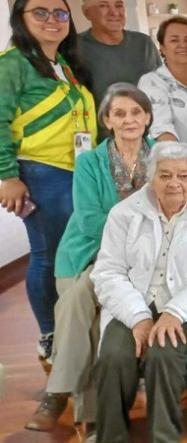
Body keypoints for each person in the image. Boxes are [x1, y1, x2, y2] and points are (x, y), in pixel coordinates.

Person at [24, 84, 153, 438]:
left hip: (132, 261)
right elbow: (91, 219)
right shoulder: (91, 162)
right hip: (87, 254)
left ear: (147, 117)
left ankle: (59, 395)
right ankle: (93, 420)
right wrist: (146, 224)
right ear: (107, 121)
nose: (129, 119)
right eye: (120, 113)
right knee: (88, 307)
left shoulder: (164, 156)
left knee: (82, 299)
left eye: (136, 112)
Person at [91, 141, 187, 442]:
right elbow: (107, 272)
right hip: (134, 302)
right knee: (113, 356)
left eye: (183, 176)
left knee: (163, 352)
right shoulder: (124, 213)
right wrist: (138, 317)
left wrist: (175, 310)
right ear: (151, 176)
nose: (175, 183)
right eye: (165, 175)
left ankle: (164, 438)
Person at [0, 0, 97, 368]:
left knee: (75, 252)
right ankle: (50, 333)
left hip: (77, 171)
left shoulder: (63, 65)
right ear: (21, 19)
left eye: (60, 13)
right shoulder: (12, 63)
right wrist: (8, 176)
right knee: (48, 254)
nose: (53, 20)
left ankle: (76, 327)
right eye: (41, 13)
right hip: (41, 173)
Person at [138, 16, 187, 172]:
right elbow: (162, 132)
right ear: (162, 47)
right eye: (174, 40)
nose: (183, 45)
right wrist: (184, 173)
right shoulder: (153, 82)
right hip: (180, 172)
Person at [76, 0, 162, 105]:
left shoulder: (144, 43)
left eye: (119, 5)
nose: (115, 13)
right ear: (86, 12)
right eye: (103, 6)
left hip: (148, 122)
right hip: (99, 124)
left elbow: (162, 87)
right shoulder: (74, 47)